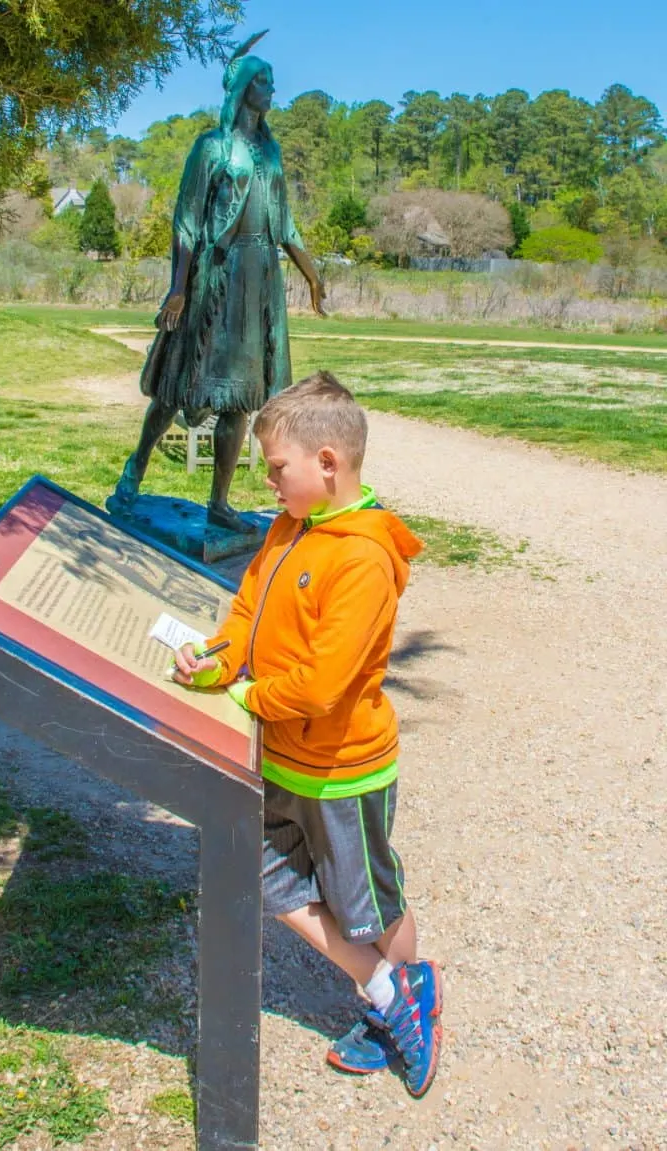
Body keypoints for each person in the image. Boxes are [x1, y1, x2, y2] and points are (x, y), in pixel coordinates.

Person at [173, 371, 443, 1095]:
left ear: (328, 462)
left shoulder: (361, 556)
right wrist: (214, 659)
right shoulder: (293, 525)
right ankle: (391, 993)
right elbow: (247, 611)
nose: (270, 483)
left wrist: (248, 693)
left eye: (277, 468)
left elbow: (322, 684)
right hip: (285, 753)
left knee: (371, 909)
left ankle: (401, 1002)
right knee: (268, 877)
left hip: (342, 768)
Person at [107, 32, 326, 533]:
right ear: (245, 88)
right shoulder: (212, 148)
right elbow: (186, 222)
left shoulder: (270, 152)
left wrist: (312, 275)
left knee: (241, 398)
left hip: (258, 285)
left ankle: (219, 503)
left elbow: (285, 225)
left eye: (272, 82)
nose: (273, 90)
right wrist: (179, 287)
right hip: (214, 279)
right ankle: (134, 473)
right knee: (179, 386)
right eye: (265, 82)